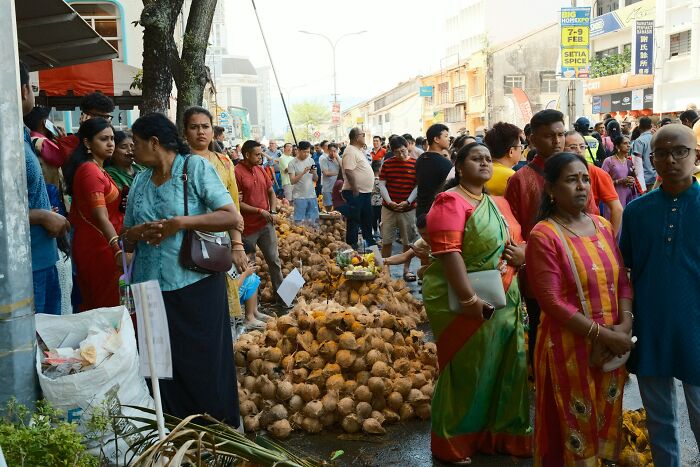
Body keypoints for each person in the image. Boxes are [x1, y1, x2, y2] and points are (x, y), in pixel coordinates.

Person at [121, 112, 241, 426]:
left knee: (201, 362)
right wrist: (137, 233)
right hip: (150, 288)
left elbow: (230, 216)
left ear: (154, 142)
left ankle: (215, 432)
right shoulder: (141, 179)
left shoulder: (194, 167)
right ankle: (173, 430)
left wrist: (180, 224)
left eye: (135, 142)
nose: (132, 149)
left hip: (195, 284)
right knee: (160, 368)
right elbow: (127, 236)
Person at [424, 142, 531, 464]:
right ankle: (455, 441)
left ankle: (500, 435)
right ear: (459, 165)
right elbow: (448, 252)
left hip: (507, 298)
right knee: (469, 369)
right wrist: (469, 298)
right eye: (476, 158)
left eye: (487, 159)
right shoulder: (450, 201)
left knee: (506, 366)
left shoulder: (498, 202)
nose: (484, 163)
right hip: (468, 302)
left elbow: (518, 240)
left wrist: (523, 254)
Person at [526, 152, 634, 465]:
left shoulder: (601, 225)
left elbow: (622, 280)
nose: (582, 186)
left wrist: (624, 327)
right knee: (572, 428)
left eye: (585, 179)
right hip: (568, 347)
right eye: (572, 180)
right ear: (550, 188)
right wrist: (603, 335)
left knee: (605, 416)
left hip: (612, 344)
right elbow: (550, 301)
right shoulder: (544, 235)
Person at [619, 124, 700, 467]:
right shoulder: (638, 211)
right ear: (652, 159)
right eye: (661, 153)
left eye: (680, 151)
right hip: (651, 327)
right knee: (659, 419)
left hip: (696, 327)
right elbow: (626, 270)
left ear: (696, 156)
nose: (670, 159)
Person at [505, 109, 598, 366]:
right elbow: (513, 229)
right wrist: (526, 251)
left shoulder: (579, 173)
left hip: (579, 266)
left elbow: (590, 218)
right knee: (541, 328)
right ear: (533, 140)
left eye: (560, 134)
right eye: (548, 136)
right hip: (538, 270)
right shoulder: (520, 180)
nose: (556, 141)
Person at [183, 106, 250, 322]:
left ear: (212, 131)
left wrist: (237, 244)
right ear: (185, 132)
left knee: (219, 299)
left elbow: (233, 207)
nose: (200, 132)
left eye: (205, 126)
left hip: (219, 241)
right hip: (186, 240)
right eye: (194, 127)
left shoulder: (224, 162)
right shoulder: (178, 163)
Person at [20, 60, 69, 315]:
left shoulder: (22, 133)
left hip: (43, 258)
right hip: (23, 268)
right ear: (23, 91)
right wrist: (41, 216)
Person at [63, 118, 123, 311]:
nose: (110, 143)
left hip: (101, 242)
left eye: (112, 138)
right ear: (88, 143)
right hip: (100, 247)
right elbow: (100, 215)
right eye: (103, 139)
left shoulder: (97, 168)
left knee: (104, 303)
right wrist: (117, 249)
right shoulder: (90, 171)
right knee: (106, 306)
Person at [235, 140, 286, 307]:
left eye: (260, 153)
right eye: (257, 154)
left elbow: (271, 191)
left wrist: (271, 211)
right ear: (246, 155)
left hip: (265, 225)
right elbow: (237, 203)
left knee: (274, 261)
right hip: (247, 228)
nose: (260, 157)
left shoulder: (261, 169)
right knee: (250, 267)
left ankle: (283, 300)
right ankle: (253, 307)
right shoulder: (237, 172)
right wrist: (259, 211)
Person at [564, 131, 623, 234]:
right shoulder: (557, 173)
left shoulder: (597, 173)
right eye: (572, 147)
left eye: (582, 146)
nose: (578, 151)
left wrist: (610, 238)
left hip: (590, 231)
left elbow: (617, 209)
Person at [378, 136, 418, 281]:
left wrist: (408, 201)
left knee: (408, 242)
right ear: (392, 151)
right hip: (389, 209)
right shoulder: (388, 164)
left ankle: (406, 270)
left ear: (407, 146)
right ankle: (385, 269)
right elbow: (382, 184)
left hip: (408, 209)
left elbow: (417, 186)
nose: (401, 155)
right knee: (387, 240)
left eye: (402, 151)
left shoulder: (416, 164)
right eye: (397, 152)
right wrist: (389, 202)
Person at [342, 128, 377, 249]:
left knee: (367, 217)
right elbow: (349, 171)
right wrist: (355, 188)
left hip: (364, 192)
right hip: (356, 192)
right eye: (363, 135)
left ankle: (369, 242)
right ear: (357, 137)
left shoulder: (357, 150)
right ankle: (352, 244)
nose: (365, 136)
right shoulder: (350, 151)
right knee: (354, 219)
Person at [56, 92, 115, 159]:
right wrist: (84, 130)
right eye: (99, 116)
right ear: (84, 115)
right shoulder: (67, 142)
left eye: (106, 117)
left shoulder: (113, 141)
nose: (104, 122)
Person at [416, 124, 453, 218]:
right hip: (438, 212)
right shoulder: (445, 163)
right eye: (446, 136)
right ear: (436, 139)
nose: (449, 139)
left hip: (421, 211)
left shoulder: (420, 159)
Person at [483, 122, 522, 195]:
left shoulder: (481, 172)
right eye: (520, 146)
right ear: (511, 151)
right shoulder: (513, 177)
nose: (521, 150)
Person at [601, 135, 638, 210]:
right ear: (617, 146)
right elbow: (603, 181)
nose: (628, 145)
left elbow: (632, 178)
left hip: (628, 196)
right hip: (613, 196)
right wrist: (619, 181)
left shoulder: (629, 162)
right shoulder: (609, 161)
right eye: (625, 143)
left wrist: (632, 180)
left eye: (629, 143)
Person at [288, 140, 320, 225]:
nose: (306, 154)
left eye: (308, 152)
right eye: (304, 152)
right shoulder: (292, 163)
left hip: (312, 195)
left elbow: (315, 179)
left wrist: (314, 173)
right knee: (299, 223)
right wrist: (303, 173)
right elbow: (292, 181)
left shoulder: (311, 161)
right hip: (299, 197)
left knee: (314, 222)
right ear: (298, 150)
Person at [630, 117, 655, 192]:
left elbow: (637, 162)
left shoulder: (639, 141)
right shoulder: (656, 138)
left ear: (639, 127)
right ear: (651, 127)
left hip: (644, 179)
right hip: (656, 176)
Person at [319, 142, 341, 212]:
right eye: (331, 151)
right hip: (327, 188)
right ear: (328, 151)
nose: (332, 153)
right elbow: (326, 173)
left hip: (337, 188)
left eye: (334, 151)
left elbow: (343, 168)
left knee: (337, 208)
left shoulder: (339, 159)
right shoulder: (324, 160)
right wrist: (337, 173)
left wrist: (337, 158)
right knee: (328, 208)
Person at [370, 161, 383, 240]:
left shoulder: (370, 179)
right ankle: (381, 233)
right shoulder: (379, 180)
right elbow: (382, 190)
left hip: (372, 201)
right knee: (380, 218)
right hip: (380, 202)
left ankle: (375, 231)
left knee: (374, 218)